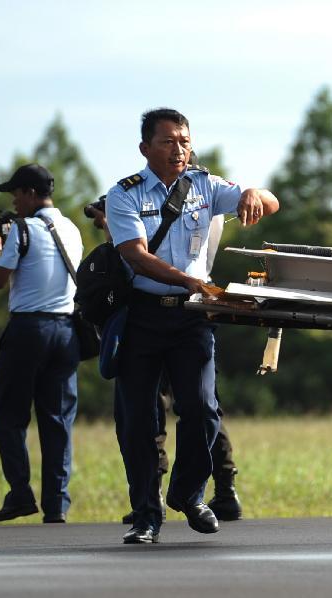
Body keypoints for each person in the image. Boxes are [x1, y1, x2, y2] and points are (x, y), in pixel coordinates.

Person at [105, 108, 278, 544]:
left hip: (193, 317)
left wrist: (255, 192)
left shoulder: (204, 185)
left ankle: (188, 493)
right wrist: (186, 279)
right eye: (168, 141)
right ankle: (146, 516)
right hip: (143, 315)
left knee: (202, 408)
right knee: (139, 422)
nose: (179, 149)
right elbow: (134, 253)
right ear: (146, 148)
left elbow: (271, 204)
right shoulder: (124, 194)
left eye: (184, 141)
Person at [87, 199, 243, 524]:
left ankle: (154, 495)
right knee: (203, 409)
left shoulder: (163, 207)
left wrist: (112, 224)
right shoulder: (209, 212)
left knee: (148, 412)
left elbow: (135, 258)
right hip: (198, 308)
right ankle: (222, 489)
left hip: (168, 304)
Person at [0, 163, 83, 524]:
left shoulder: (22, 229)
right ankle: (57, 505)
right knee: (57, 420)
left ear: (29, 193)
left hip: (28, 330)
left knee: (9, 415)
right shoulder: (71, 228)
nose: (13, 201)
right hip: (66, 331)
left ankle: (20, 494)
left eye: (15, 194)